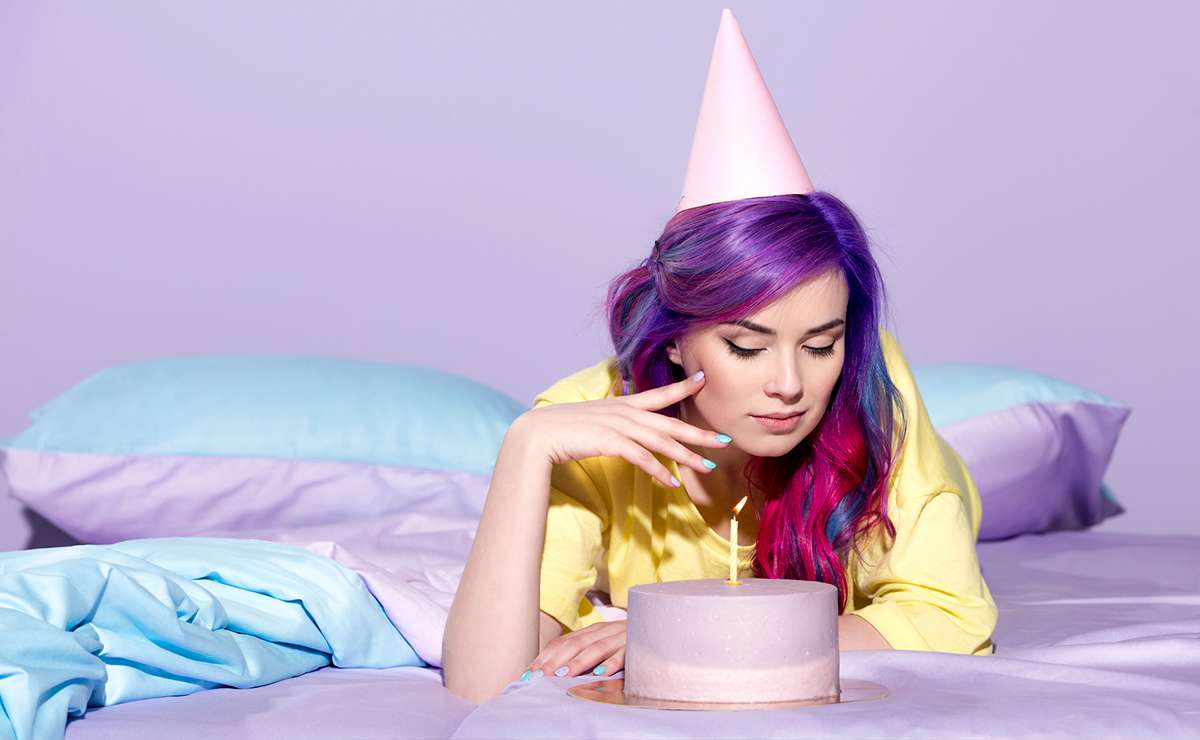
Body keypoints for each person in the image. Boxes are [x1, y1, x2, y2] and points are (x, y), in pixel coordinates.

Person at [442, 9, 997, 705]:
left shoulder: (871, 380)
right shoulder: (584, 429)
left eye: (821, 344)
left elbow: (953, 615)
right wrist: (524, 447)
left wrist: (692, 632)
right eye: (745, 346)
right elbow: (480, 682)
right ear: (674, 337)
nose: (790, 384)